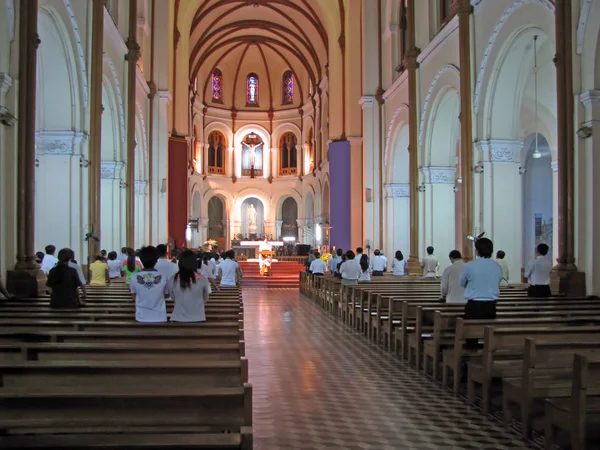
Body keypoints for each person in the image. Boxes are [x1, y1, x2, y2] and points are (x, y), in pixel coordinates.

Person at [459, 237, 503, 320]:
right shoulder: (497, 267)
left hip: (474, 305)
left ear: (477, 251)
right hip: (491, 305)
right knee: (489, 329)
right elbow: (498, 281)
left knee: (472, 330)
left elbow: (461, 282)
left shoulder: (469, 266)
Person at [129, 246, 168, 323]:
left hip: (141, 316)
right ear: (156, 260)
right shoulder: (163, 276)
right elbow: (167, 294)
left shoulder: (134, 277)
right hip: (160, 316)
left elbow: (133, 295)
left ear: (141, 260)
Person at [169, 249, 210, 322]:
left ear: (180, 263)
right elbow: (205, 298)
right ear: (194, 263)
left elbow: (172, 297)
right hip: (198, 317)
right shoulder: (202, 279)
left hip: (178, 317)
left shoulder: (173, 278)